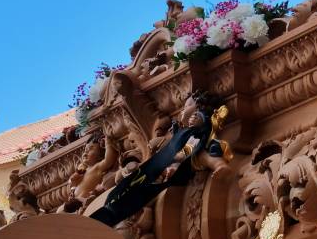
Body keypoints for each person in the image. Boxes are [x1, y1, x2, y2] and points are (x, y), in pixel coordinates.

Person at [90, 92, 228, 227]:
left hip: (165, 171)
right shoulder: (182, 130)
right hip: (155, 168)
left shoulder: (194, 128)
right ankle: (105, 215)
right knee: (125, 190)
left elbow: (191, 145)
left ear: (198, 107)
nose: (183, 109)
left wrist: (176, 163)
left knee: (134, 195)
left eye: (187, 106)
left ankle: (104, 218)